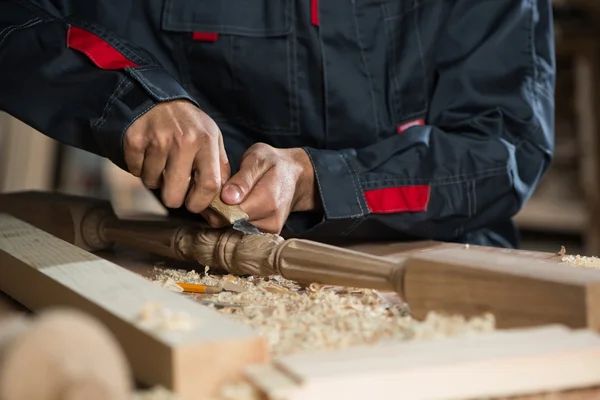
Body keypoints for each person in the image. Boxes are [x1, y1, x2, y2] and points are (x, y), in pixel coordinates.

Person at [0, 0, 555, 248]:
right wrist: (134, 98)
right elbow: (17, 17)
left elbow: (502, 150)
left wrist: (316, 179)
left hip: (439, 268)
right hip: (218, 276)